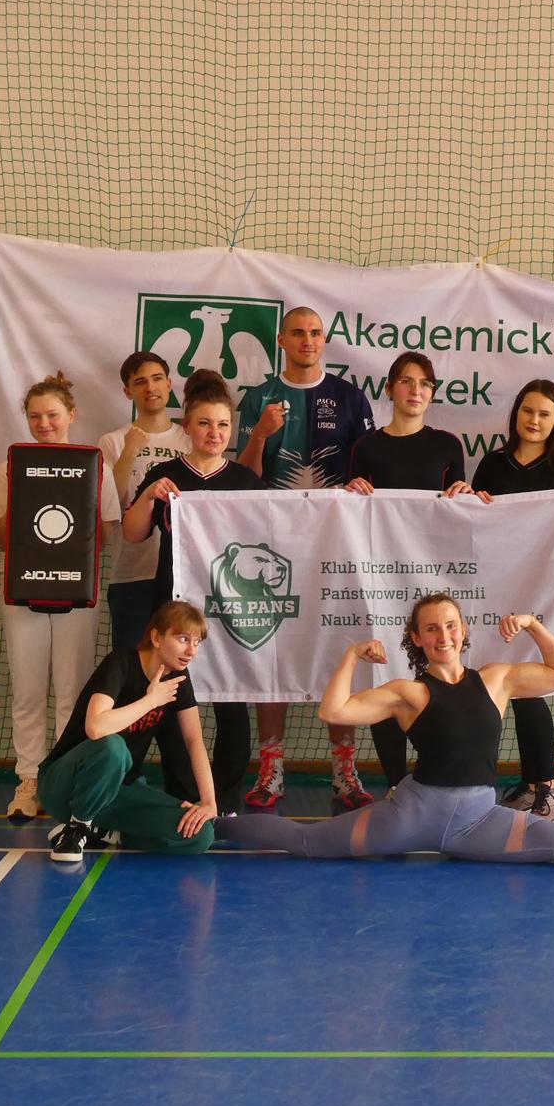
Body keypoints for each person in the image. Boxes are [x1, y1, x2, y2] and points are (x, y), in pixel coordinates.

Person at [215, 593, 554, 872]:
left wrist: (533, 625)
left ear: (464, 631)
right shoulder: (408, 691)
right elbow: (335, 711)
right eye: (431, 628)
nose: (443, 634)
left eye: (451, 625)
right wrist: (351, 655)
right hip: (410, 816)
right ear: (417, 638)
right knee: (306, 841)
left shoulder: (497, 679)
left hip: (480, 820)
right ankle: (214, 824)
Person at [236, 306, 376, 811]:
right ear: (282, 340)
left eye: (315, 333)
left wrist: (362, 483)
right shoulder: (258, 398)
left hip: (338, 546)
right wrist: (260, 434)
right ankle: (271, 768)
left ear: (324, 340)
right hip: (275, 546)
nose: (308, 340)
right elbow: (243, 479)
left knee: (340, 648)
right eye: (298, 333)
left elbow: (370, 471)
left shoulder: (350, 397)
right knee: (272, 651)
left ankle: (344, 770)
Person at [123, 370, 260, 812]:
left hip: (229, 610)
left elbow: (278, 533)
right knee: (172, 700)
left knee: (232, 704)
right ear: (188, 427)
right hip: (174, 607)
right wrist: (149, 496)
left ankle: (226, 798)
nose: (214, 433)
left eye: (222, 424)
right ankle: (182, 796)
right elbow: (132, 534)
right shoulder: (165, 475)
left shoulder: (245, 481)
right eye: (204, 423)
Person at [0, 371, 121, 821]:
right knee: (27, 692)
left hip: (75, 593)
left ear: (71, 415)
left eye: (52, 415)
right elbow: (2, 539)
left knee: (73, 693)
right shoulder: (10, 467)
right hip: (23, 593)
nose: (44, 423)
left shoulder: (95, 466)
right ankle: (29, 780)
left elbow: (105, 534)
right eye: (35, 416)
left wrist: (73, 521)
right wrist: (26, 498)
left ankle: (62, 782)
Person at [344, 352, 473, 789]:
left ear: (432, 392)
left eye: (424, 384)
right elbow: (347, 515)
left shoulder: (447, 445)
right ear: (390, 389)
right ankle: (398, 786)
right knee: (387, 674)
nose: (415, 390)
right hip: (381, 579)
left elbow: (462, 513)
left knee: (438, 675)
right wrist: (349, 491)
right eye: (406, 381)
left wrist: (466, 494)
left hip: (434, 578)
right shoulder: (367, 447)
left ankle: (440, 777)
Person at [470, 380, 554, 820]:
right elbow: (472, 525)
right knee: (493, 683)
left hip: (539, 593)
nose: (534, 421)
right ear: (516, 413)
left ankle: (548, 782)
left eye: (544, 414)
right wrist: (474, 503)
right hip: (493, 587)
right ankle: (528, 782)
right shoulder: (492, 463)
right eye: (528, 411)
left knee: (529, 685)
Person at [42, 600, 219, 862]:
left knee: (200, 834)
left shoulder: (179, 679)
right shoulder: (120, 663)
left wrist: (208, 802)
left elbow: (194, 741)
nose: (191, 650)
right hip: (65, 786)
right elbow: (96, 727)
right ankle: (77, 828)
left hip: (118, 790)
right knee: (113, 747)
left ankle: (107, 833)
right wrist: (151, 700)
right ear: (156, 638)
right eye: (183, 639)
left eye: (197, 642)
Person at [97, 352, 191, 651]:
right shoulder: (112, 441)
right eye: (140, 382)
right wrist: (130, 452)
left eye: (157, 378)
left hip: (181, 574)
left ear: (169, 384)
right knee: (130, 662)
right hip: (131, 572)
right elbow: (110, 503)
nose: (150, 387)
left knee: (177, 662)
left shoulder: (189, 439)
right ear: (128, 391)